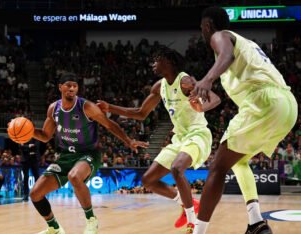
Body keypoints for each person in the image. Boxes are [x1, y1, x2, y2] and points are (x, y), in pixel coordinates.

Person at [192, 6, 298, 234]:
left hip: (264, 101)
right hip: (287, 105)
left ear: (208, 26)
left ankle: (198, 231)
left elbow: (226, 56)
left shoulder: (220, 36)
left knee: (217, 168)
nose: (202, 32)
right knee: (238, 161)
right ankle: (256, 222)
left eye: (202, 28)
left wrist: (207, 79)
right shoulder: (248, 43)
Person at [97, 46, 221, 233]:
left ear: (168, 62)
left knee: (177, 168)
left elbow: (215, 98)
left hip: (197, 134)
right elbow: (140, 113)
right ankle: (189, 203)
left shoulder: (185, 80)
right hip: (179, 138)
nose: (153, 63)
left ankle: (192, 222)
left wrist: (200, 108)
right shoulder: (159, 86)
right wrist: (110, 108)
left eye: (157, 60)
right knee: (148, 180)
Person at [21, 73, 148, 234]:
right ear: (60, 87)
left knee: (75, 176)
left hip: (88, 154)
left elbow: (109, 124)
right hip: (64, 156)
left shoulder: (86, 107)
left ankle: (91, 220)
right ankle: (54, 228)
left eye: (75, 85)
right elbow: (45, 136)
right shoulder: (54, 109)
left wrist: (128, 141)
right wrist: (29, 131)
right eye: (68, 85)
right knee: (35, 193)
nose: (72, 88)